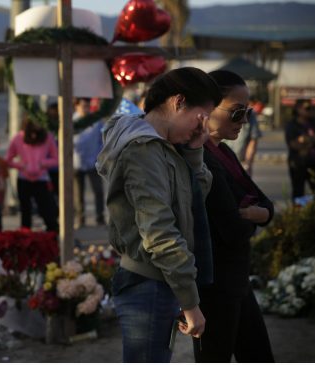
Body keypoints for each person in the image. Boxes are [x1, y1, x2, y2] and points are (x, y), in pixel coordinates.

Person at [96, 67, 222, 362]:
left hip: (156, 280)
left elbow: (194, 202)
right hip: (148, 282)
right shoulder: (144, 149)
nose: (202, 127)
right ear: (178, 102)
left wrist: (194, 150)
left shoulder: (164, 145)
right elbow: (160, 232)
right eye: (200, 117)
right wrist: (191, 303)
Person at [194, 70, 275, 362]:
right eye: (237, 112)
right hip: (215, 285)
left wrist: (258, 213)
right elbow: (232, 226)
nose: (244, 121)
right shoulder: (199, 156)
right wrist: (257, 214)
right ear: (208, 108)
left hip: (235, 280)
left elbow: (265, 203)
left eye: (248, 112)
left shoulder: (223, 152)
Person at [6, 118, 58, 232]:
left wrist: (42, 163)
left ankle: (52, 235)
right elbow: (8, 160)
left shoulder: (48, 137)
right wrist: (22, 166)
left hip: (42, 179)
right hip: (24, 178)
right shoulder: (18, 138)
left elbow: (56, 159)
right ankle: (26, 236)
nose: (34, 136)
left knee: (47, 210)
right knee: (25, 211)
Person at [73, 98, 105, 227]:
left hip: (93, 161)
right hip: (76, 162)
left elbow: (102, 140)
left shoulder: (96, 121)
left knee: (98, 190)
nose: (85, 109)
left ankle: (100, 217)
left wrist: (100, 156)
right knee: (78, 193)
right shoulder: (72, 120)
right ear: (77, 107)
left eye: (87, 106)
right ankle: (80, 218)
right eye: (83, 106)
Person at [285, 99, 315, 201]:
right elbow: (293, 144)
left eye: (312, 108)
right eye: (307, 108)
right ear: (298, 109)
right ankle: (297, 214)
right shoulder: (292, 125)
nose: (311, 110)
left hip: (312, 163)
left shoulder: (312, 122)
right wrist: (309, 141)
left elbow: (301, 141)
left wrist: (305, 140)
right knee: (298, 192)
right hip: (298, 163)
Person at [225, 96, 262, 175]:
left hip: (241, 163)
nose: (244, 120)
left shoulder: (251, 115)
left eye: (247, 109)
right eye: (237, 112)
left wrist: (247, 164)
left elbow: (253, 140)